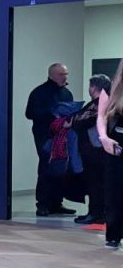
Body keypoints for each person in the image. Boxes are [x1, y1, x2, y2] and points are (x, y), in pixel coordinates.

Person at [26, 63, 76, 216]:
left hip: (61, 135)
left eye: (66, 74)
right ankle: (42, 204)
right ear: (52, 75)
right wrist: (51, 112)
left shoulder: (67, 93)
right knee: (46, 167)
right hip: (45, 135)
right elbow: (29, 113)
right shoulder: (39, 92)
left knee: (60, 167)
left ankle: (56, 203)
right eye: (61, 74)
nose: (65, 77)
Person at [73, 75, 112, 225]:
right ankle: (100, 213)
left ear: (94, 87)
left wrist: (72, 120)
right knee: (101, 183)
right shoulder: (110, 104)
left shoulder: (97, 105)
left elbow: (79, 122)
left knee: (95, 183)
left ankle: (96, 213)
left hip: (94, 150)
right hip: (102, 150)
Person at [96, 62, 123, 249]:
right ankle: (113, 235)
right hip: (115, 146)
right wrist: (103, 137)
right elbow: (101, 116)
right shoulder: (111, 88)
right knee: (114, 191)